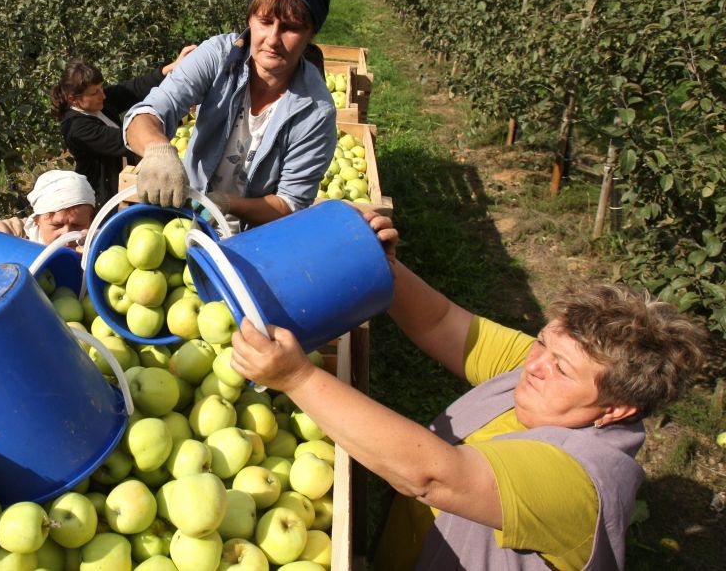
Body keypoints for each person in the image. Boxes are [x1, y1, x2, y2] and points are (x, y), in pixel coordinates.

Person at [229, 211, 709, 570]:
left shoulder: (581, 484)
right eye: (542, 342)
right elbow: (441, 322)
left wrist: (297, 378)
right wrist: (377, 267)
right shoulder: (539, 372)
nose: (534, 364)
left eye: (560, 367)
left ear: (616, 408)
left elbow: (433, 478)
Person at [123, 0, 336, 229]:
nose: (272, 38)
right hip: (184, 220)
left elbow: (289, 204)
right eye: (264, 21)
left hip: (253, 240)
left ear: (311, 33)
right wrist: (157, 149)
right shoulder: (218, 56)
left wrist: (226, 203)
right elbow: (146, 113)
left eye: (290, 28)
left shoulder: (315, 112)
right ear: (250, 18)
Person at [52, 46, 196, 206]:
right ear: (73, 99)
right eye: (95, 93)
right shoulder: (76, 128)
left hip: (124, 185)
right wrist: (177, 119)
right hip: (103, 197)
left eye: (101, 88)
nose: (103, 95)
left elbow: (133, 88)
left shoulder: (99, 103)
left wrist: (171, 68)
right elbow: (126, 141)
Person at [0, 170, 96, 252]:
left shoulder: (96, 244)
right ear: (37, 220)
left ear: (91, 221)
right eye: (57, 225)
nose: (67, 234)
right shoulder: (21, 234)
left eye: (77, 225)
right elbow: (2, 230)